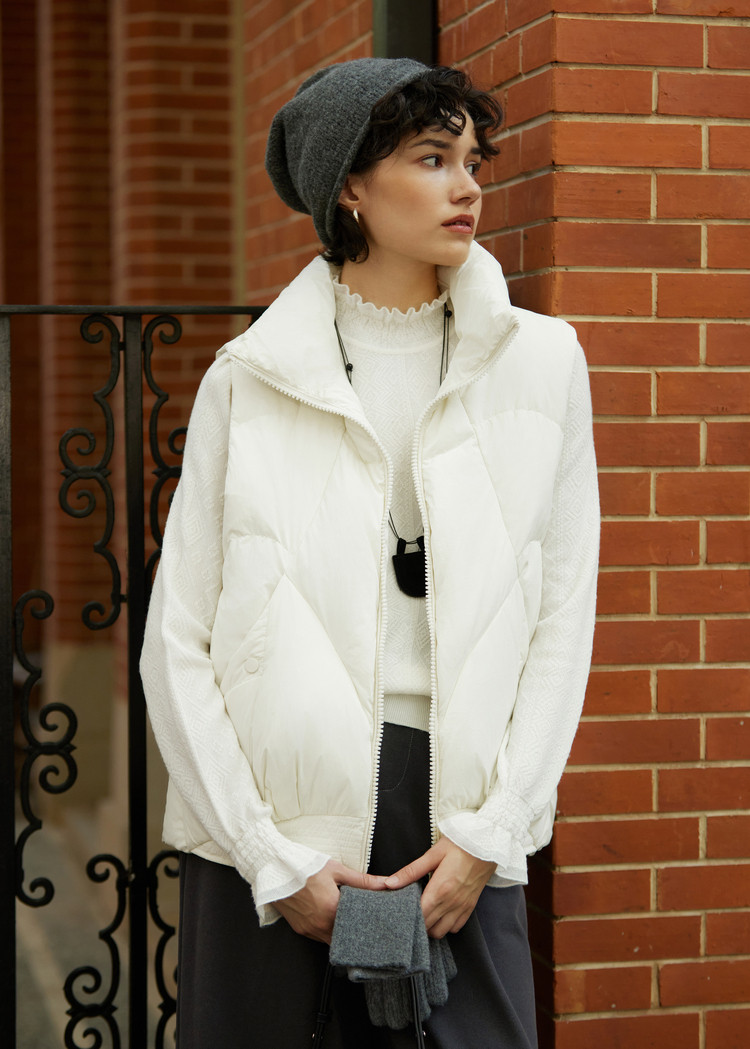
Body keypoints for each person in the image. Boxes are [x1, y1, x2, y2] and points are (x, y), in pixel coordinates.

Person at [140, 58, 599, 1048]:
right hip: (274, 827)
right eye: (432, 158)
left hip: (458, 823)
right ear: (350, 182)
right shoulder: (247, 381)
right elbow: (175, 642)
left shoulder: (543, 365)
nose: (467, 186)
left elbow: (564, 621)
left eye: (471, 160)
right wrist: (268, 855)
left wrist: (491, 831)